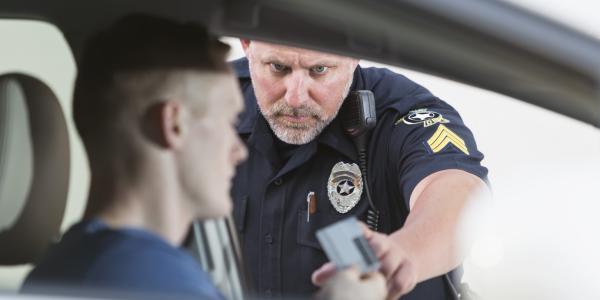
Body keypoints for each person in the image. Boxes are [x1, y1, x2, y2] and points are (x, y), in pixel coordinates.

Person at [21, 15, 386, 300]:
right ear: (173, 124)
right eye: (228, 120)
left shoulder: (68, 266)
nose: (238, 149)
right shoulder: (149, 279)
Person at [230, 40, 490, 299]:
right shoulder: (210, 102)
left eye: (319, 70)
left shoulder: (400, 111)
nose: (296, 98)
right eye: (278, 67)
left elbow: (458, 191)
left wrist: (404, 254)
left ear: (355, 55)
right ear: (246, 44)